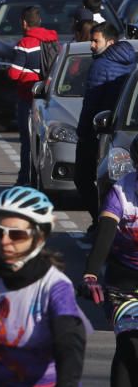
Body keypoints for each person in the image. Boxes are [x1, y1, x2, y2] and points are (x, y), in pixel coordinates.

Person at [0, 186, 87, 387]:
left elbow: (70, 353)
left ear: (39, 237)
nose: (5, 242)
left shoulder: (55, 287)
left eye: (17, 235)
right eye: (0, 233)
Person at [80, 135, 138, 387]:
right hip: (124, 283)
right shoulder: (121, 193)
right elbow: (104, 236)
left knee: (129, 355)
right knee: (131, 343)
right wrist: (90, 274)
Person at [76, 22, 137, 233]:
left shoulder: (100, 65)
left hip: (102, 131)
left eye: (96, 41)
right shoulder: (132, 61)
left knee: (84, 178)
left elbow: (91, 103)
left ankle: (102, 223)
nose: (91, 45)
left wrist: (83, 132)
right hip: (117, 127)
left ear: (110, 42)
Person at [7, 6, 59, 186]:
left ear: (24, 22)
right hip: (47, 97)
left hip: (27, 97)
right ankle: (40, 178)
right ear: (40, 21)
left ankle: (24, 179)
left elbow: (14, 74)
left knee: (27, 142)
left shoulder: (25, 43)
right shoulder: (52, 40)